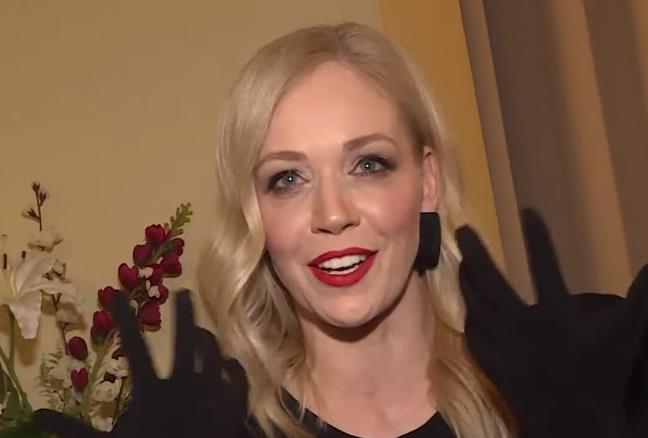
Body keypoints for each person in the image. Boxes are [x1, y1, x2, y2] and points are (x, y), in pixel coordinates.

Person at [32, 22, 648, 438]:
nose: (332, 213)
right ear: (255, 215)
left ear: (427, 181)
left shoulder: (580, 372)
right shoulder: (225, 427)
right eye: (287, 179)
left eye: (369, 165)